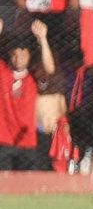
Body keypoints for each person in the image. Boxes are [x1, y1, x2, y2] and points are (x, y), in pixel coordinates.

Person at [0, 20, 57, 170]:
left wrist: (43, 39)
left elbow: (49, 69)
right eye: (15, 55)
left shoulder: (33, 77)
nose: (18, 59)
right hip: (3, 140)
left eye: (23, 55)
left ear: (29, 56)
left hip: (27, 141)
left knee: (26, 185)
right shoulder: (3, 73)